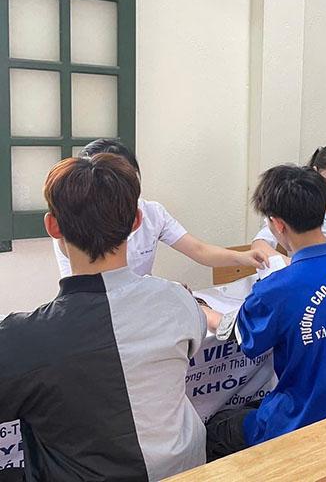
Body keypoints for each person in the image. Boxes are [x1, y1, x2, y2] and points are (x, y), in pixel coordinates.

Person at [0, 154, 207, 481]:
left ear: (52, 226)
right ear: (137, 221)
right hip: (188, 469)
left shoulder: (21, 338)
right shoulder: (179, 300)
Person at [202, 165, 326, 459]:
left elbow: (241, 334)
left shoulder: (280, 286)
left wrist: (202, 310)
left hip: (297, 423)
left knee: (215, 428)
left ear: (277, 224)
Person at [53, 138, 269, 277]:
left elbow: (198, 250)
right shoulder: (73, 220)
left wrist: (242, 257)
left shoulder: (152, 213)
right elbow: (82, 283)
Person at [251, 145, 326, 273]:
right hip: (309, 272)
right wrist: (296, 264)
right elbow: (260, 243)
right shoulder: (299, 201)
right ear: (316, 172)